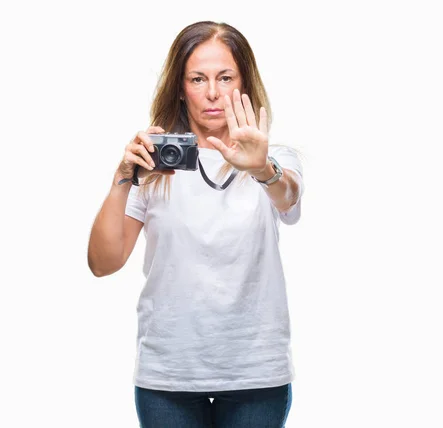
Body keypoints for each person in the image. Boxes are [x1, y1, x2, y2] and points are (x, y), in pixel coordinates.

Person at [87, 21, 303, 428]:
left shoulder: (277, 159)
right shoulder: (154, 164)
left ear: (243, 82)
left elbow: (288, 197)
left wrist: (262, 168)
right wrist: (122, 178)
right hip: (169, 373)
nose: (212, 92)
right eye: (198, 78)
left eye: (225, 77)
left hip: (255, 371)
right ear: (181, 87)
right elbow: (103, 262)